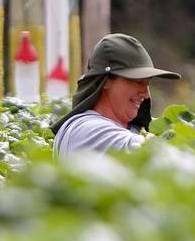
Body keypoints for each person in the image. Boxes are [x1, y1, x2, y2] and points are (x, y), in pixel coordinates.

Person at [51, 33, 180, 157]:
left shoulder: (132, 128)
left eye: (147, 83)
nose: (146, 94)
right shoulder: (84, 131)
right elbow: (150, 151)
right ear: (105, 81)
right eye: (138, 81)